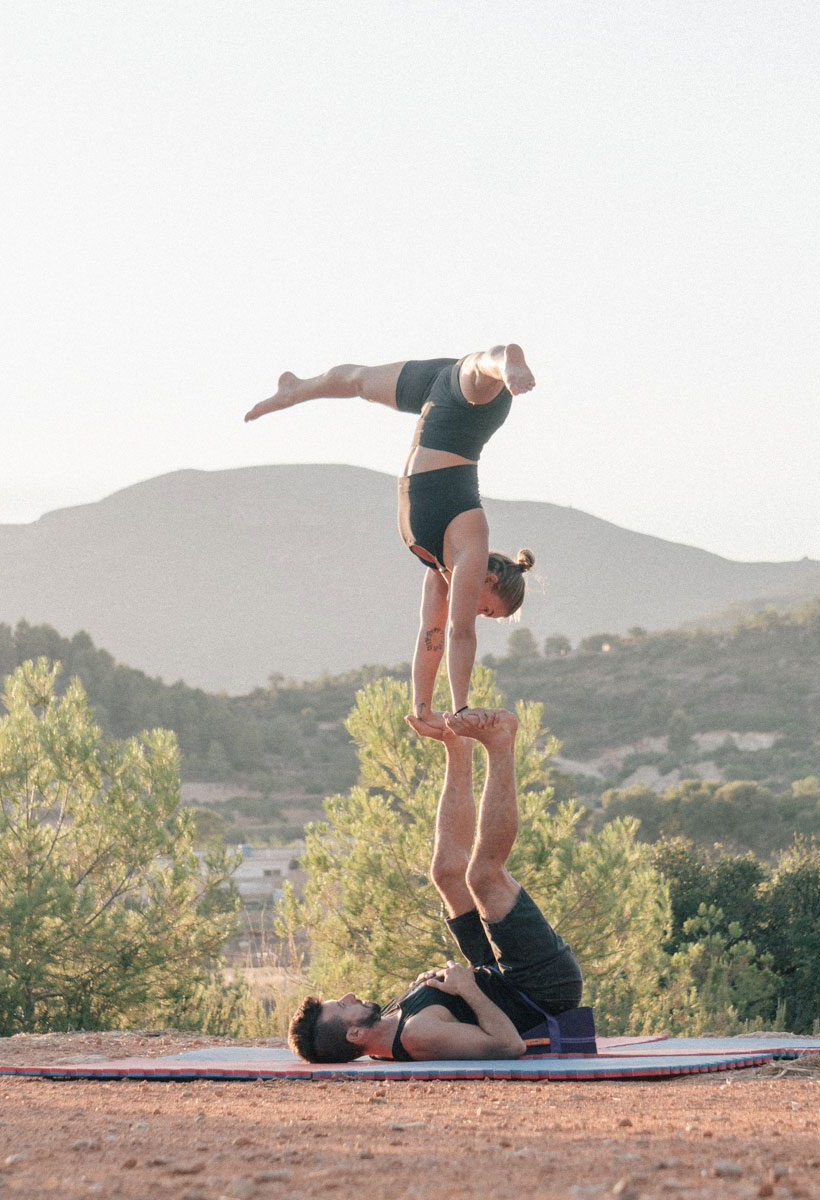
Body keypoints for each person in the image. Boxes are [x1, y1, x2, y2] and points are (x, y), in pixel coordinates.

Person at [245, 346, 537, 729]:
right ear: (491, 579)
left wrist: (424, 709)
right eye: (488, 609)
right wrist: (463, 708)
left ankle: (295, 389)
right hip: (467, 408)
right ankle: (511, 359)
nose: (478, 615)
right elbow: (459, 632)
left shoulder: (438, 567)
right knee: (483, 369)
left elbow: (431, 634)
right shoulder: (471, 546)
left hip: (435, 391)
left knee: (359, 382)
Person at [286, 707, 584, 1063]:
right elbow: (509, 1046)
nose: (349, 995)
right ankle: (501, 744)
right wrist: (467, 989)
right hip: (539, 987)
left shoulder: (387, 1025)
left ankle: (455, 745)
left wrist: (453, 987)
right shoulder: (416, 1036)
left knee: (446, 873)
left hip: (496, 976)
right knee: (483, 876)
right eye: (342, 1005)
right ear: (355, 1033)